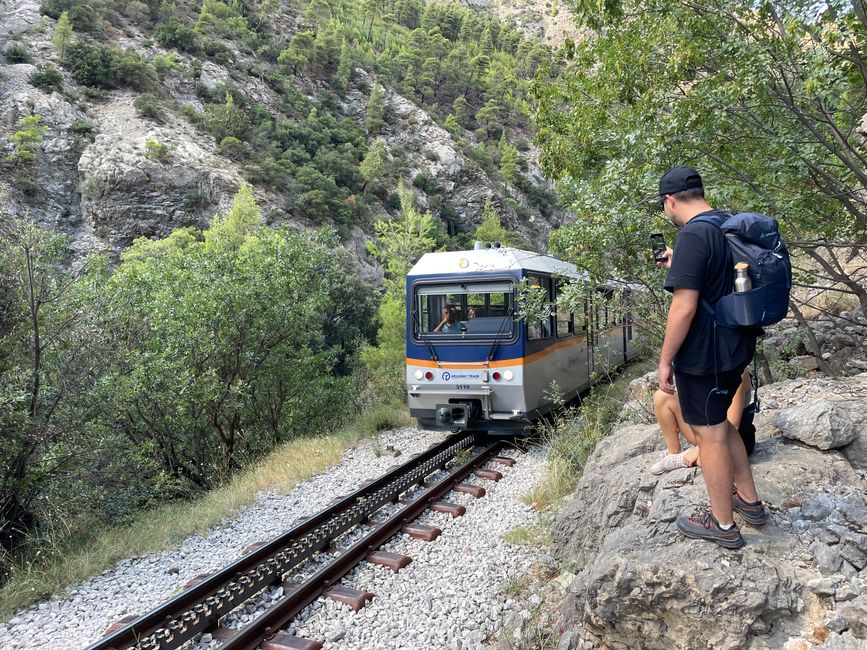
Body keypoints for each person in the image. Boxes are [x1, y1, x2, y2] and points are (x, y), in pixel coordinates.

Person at [656, 166, 767, 549]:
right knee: (721, 423)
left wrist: (666, 359)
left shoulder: (692, 235)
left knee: (710, 435)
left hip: (706, 355)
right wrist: (679, 260)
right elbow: (717, 279)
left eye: (663, 205)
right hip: (736, 348)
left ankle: (722, 525)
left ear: (670, 201)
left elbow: (684, 307)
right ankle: (750, 503)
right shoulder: (724, 224)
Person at [650, 369, 754, 473]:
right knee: (662, 396)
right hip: (708, 432)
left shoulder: (738, 371)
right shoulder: (704, 366)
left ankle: (685, 459)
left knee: (717, 461)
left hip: (733, 440)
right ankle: (673, 453)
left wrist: (698, 450)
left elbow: (733, 425)